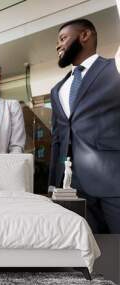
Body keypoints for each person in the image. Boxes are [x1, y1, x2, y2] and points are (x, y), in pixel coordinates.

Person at [49, 19, 120, 233]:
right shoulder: (57, 90)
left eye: (63, 38)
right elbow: (57, 138)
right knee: (88, 252)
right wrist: (54, 183)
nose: (58, 46)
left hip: (114, 181)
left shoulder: (114, 67)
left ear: (85, 35)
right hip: (74, 189)